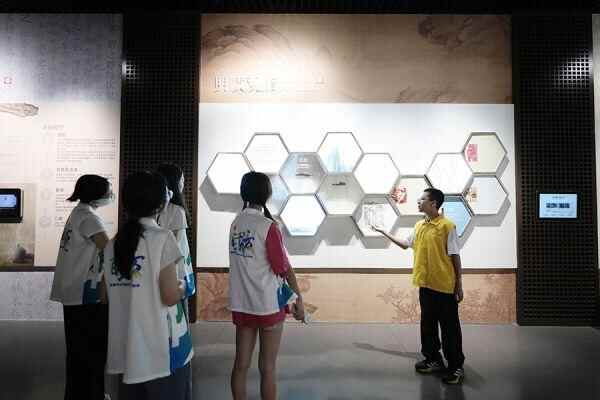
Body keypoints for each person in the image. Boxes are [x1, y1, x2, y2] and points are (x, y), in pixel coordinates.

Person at [102, 171, 193, 399]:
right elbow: (170, 295)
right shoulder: (162, 238)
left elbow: (105, 295)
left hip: (127, 350)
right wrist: (183, 286)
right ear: (161, 203)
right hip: (162, 350)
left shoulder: (112, 244)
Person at [373, 188, 465, 385]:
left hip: (445, 287)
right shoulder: (419, 226)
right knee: (427, 326)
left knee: (450, 329)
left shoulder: (448, 226)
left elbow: (455, 257)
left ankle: (456, 366)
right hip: (425, 285)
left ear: (433, 203)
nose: (418, 201)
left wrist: (459, 285)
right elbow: (405, 244)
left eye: (422, 199)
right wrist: (384, 232)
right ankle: (433, 359)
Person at [229, 171, 305, 400]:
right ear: (267, 194)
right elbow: (282, 267)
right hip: (267, 305)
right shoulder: (267, 226)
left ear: (243, 193)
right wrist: (299, 298)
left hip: (242, 304)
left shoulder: (235, 224)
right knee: (268, 367)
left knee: (240, 365)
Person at [50, 174, 113, 400]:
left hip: (73, 292)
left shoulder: (78, 213)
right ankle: (93, 394)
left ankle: (79, 394)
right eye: (108, 191)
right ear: (96, 194)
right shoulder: (89, 218)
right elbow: (108, 248)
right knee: (93, 350)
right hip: (86, 294)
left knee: (77, 352)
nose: (111, 194)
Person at [156, 163, 196, 314]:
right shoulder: (177, 210)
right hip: (176, 271)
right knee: (180, 314)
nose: (183, 182)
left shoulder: (155, 209)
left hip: (158, 269)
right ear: (175, 182)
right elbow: (174, 246)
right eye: (182, 179)